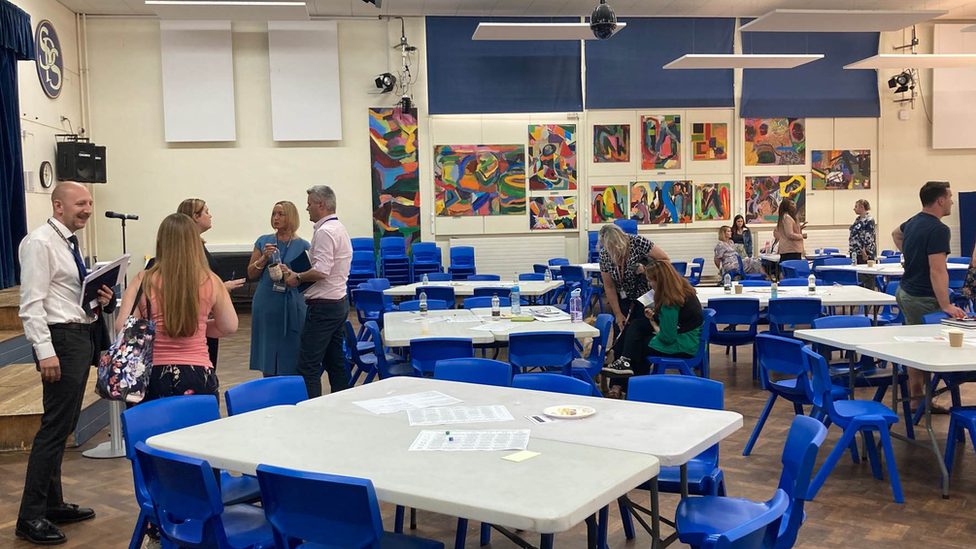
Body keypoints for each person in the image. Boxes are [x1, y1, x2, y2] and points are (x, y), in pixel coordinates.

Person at [16, 182, 115, 545]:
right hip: (60, 339)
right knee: (54, 428)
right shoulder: (40, 242)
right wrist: (45, 351)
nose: (88, 209)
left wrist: (102, 298)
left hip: (78, 334)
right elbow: (31, 305)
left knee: (65, 423)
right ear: (58, 205)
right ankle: (29, 516)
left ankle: (52, 504)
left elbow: (67, 295)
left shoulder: (69, 241)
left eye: (90, 202)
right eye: (80, 203)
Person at [116, 213, 238, 400]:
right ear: (195, 242)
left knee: (154, 429)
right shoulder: (211, 280)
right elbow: (229, 326)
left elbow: (123, 326)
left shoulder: (143, 280)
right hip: (198, 372)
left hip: (151, 374)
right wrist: (198, 327)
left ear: (160, 241)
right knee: (200, 429)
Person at [892, 181, 968, 410]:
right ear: (940, 200)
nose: (952, 201)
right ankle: (918, 398)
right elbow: (937, 269)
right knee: (924, 349)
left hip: (905, 291)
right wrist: (945, 304)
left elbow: (896, 233)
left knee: (916, 345)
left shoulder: (914, 221)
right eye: (950, 197)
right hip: (922, 297)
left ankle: (918, 396)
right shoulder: (938, 229)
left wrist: (910, 252)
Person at [283, 185, 353, 398]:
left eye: (310, 203)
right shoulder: (338, 228)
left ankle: (311, 411)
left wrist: (298, 277)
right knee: (335, 362)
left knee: (308, 366)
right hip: (338, 301)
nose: (307, 208)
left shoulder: (325, 232)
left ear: (321, 205)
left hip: (323, 308)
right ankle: (342, 403)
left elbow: (322, 270)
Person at [602, 260, 703, 395]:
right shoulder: (682, 290)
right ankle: (625, 362)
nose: (650, 285)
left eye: (651, 281)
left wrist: (654, 324)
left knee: (640, 345)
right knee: (637, 325)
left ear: (660, 281)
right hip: (686, 336)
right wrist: (654, 318)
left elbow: (667, 338)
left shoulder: (670, 300)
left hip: (684, 344)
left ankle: (635, 387)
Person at [595, 224, 670, 386]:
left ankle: (636, 385)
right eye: (607, 248)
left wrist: (646, 269)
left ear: (620, 241)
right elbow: (609, 286)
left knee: (639, 341)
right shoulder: (605, 255)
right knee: (620, 339)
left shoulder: (638, 242)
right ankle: (616, 385)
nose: (611, 252)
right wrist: (617, 314)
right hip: (623, 300)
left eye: (613, 247)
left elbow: (665, 261)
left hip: (646, 298)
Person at [175, 198, 245, 370]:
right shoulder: (188, 249)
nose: (210, 215)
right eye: (206, 211)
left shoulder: (198, 244)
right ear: (195, 217)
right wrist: (222, 288)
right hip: (198, 317)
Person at [247, 202, 310, 376]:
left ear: (291, 216)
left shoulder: (304, 246)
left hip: (292, 301)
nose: (276, 218)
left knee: (293, 347)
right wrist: (263, 258)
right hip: (267, 300)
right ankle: (269, 384)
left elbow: (306, 280)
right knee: (268, 349)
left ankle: (292, 385)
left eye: (281, 214)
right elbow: (251, 273)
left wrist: (290, 273)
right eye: (274, 213)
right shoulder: (263, 241)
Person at [849, 199, 877, 288]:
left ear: (862, 207)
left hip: (864, 253)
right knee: (859, 275)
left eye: (856, 206)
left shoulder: (869, 220)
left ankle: (870, 297)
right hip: (855, 252)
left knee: (867, 276)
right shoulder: (857, 220)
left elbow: (869, 236)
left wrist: (865, 251)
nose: (854, 209)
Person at [772, 198, 806, 263]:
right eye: (792, 204)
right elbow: (789, 234)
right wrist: (802, 236)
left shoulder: (786, 217)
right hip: (791, 250)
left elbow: (788, 230)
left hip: (791, 249)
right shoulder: (787, 218)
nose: (795, 205)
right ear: (787, 207)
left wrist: (799, 228)